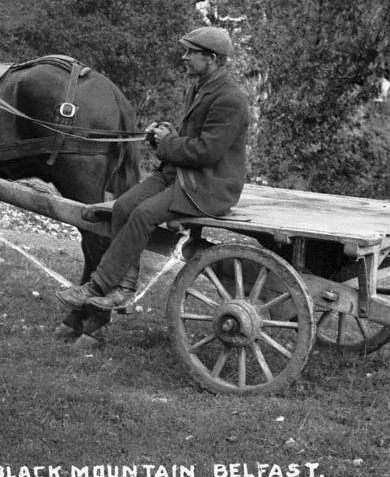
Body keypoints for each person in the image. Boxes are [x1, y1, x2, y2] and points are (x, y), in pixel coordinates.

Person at [57, 26, 250, 311]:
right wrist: (163, 135)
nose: (184, 57)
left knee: (143, 214)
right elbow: (193, 139)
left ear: (211, 58)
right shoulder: (200, 87)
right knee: (123, 206)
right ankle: (123, 288)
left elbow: (207, 152)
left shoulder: (229, 98)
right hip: (182, 174)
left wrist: (168, 141)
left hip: (209, 185)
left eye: (190, 53)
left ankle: (98, 286)